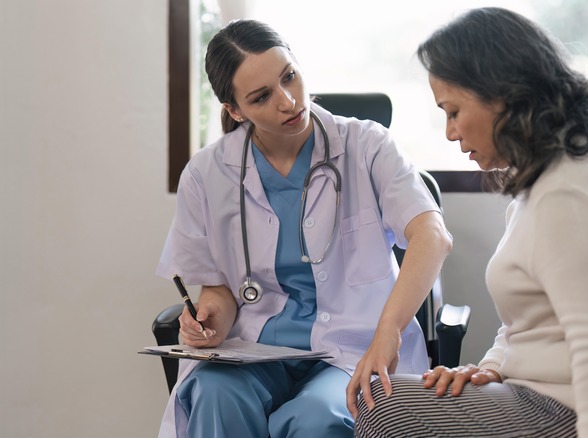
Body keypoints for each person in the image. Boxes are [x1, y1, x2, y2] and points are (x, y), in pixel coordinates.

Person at [350, 7, 588, 438]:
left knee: (382, 411)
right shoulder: (546, 177)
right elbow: (531, 322)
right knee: (379, 399)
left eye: (453, 111)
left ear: (501, 96)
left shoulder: (567, 196)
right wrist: (490, 370)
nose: (450, 133)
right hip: (555, 392)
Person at [155, 19, 452, 438]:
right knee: (214, 392)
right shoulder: (207, 175)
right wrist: (207, 324)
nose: (289, 100)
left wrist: (388, 334)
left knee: (316, 418)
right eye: (262, 97)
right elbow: (220, 292)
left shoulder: (367, 146)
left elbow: (432, 235)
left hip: (355, 348)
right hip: (257, 350)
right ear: (235, 111)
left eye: (289, 77)